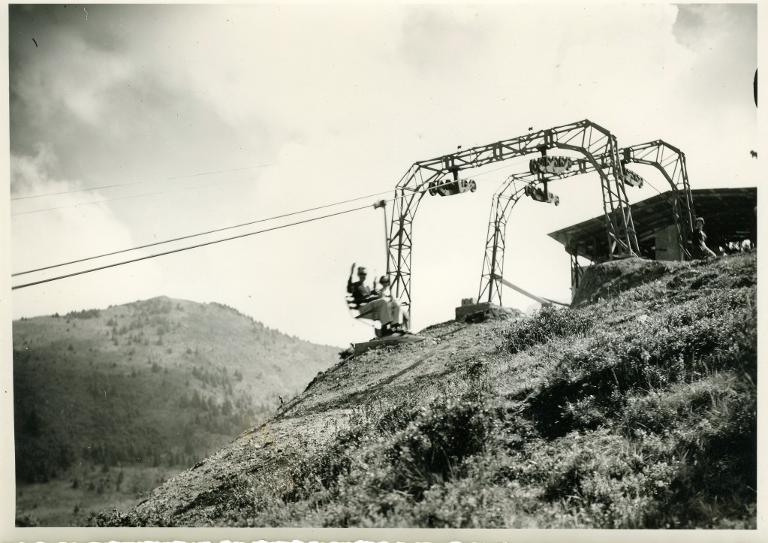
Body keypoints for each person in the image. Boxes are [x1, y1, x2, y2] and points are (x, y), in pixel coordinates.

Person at [347, 264, 408, 335]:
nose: (363, 275)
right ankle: (386, 329)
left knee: (396, 302)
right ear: (358, 274)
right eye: (361, 274)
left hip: (372, 308)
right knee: (383, 301)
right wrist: (351, 273)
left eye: (364, 274)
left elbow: (371, 296)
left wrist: (375, 293)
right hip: (363, 308)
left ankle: (396, 327)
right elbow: (349, 289)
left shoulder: (367, 287)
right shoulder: (355, 285)